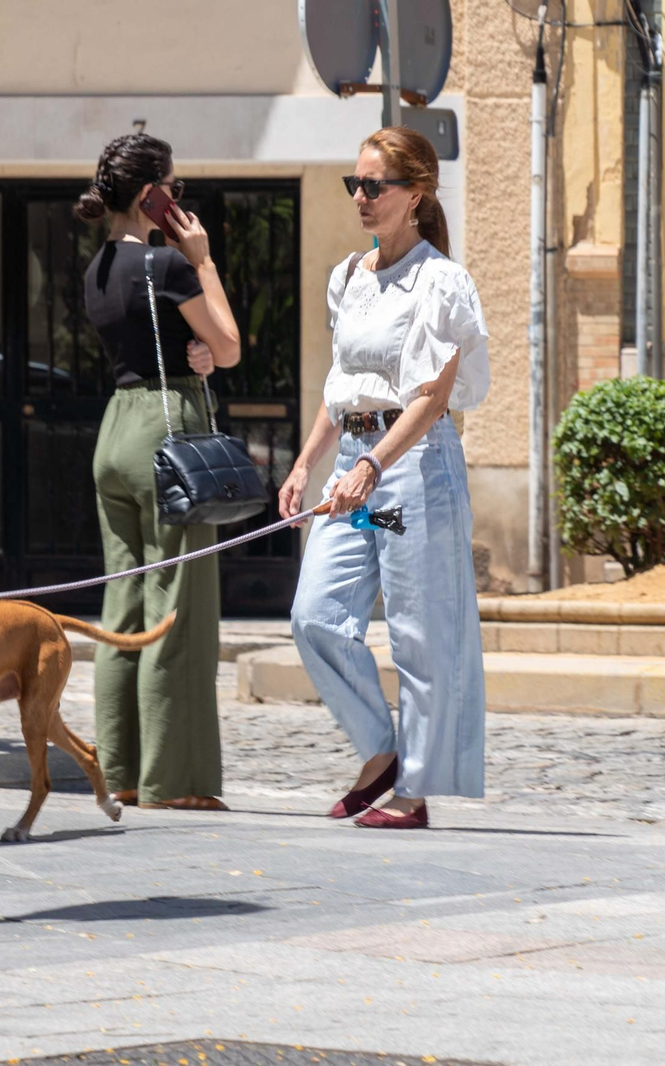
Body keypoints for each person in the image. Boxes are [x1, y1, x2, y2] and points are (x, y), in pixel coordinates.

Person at [279, 126, 490, 829]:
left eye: (375, 186)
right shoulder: (349, 277)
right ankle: (380, 751)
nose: (361, 197)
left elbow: (431, 396)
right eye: (356, 185)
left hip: (414, 470)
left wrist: (374, 464)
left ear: (416, 195)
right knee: (315, 616)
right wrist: (309, 462)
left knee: (418, 632)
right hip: (351, 467)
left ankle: (415, 791)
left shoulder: (442, 281)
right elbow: (344, 386)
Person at [76, 133, 241, 811]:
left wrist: (191, 350)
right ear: (152, 195)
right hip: (165, 427)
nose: (181, 199)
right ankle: (176, 781)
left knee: (124, 606)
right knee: (179, 606)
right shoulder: (169, 267)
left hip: (114, 429)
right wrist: (202, 262)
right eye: (175, 186)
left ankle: (118, 770)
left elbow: (157, 345)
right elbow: (228, 348)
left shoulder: (95, 272)